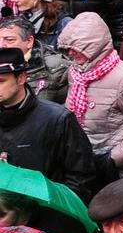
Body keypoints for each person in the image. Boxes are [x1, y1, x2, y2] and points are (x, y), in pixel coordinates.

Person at [56, 11, 123, 178]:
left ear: (94, 46)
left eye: (77, 48)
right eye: (68, 49)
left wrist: (112, 159)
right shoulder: (75, 73)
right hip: (86, 164)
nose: (72, 54)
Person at [0, 46, 96, 200]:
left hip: (46, 210)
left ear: (21, 78)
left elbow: (80, 175)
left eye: (1, 81)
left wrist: (57, 211)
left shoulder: (57, 119)